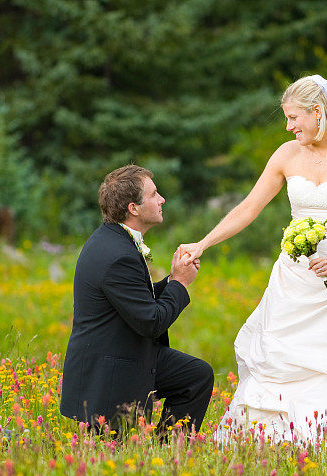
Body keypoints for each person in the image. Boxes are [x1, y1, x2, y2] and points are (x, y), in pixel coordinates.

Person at [178, 75, 327, 449]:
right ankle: (275, 441)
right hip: (293, 280)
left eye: (293, 117)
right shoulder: (286, 155)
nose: (288, 126)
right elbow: (249, 208)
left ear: (318, 112)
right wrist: (204, 243)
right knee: (282, 359)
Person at [60, 164, 214, 437]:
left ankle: (168, 449)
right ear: (134, 208)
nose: (162, 199)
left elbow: (134, 299)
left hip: (123, 352)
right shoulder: (118, 254)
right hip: (109, 371)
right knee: (110, 453)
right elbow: (152, 322)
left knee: (196, 376)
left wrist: (170, 279)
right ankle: (162, 450)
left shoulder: (113, 239)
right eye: (154, 195)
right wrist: (179, 283)